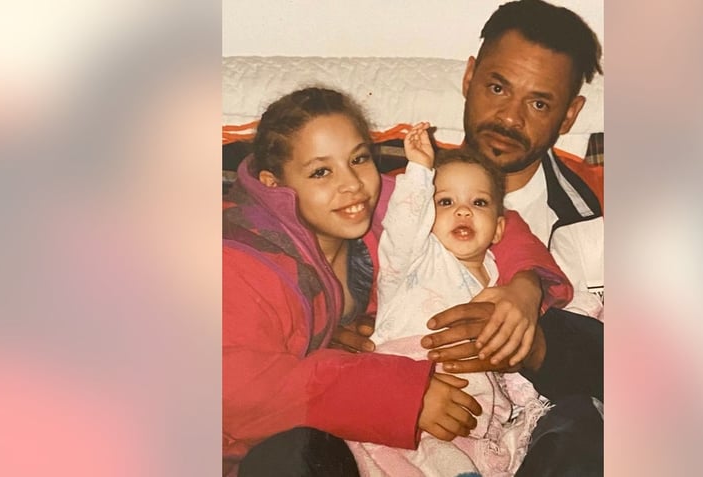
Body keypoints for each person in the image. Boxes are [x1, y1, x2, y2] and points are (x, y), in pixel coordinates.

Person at [222, 87, 573, 477]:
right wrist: (403, 395)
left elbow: (487, 216)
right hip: (248, 453)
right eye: (321, 171)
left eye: (358, 159)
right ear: (274, 184)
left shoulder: (376, 205)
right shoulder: (238, 260)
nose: (352, 184)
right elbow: (238, 394)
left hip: (356, 432)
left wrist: (524, 287)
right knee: (294, 451)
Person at [335, 2, 606, 475]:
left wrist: (534, 319)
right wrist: (331, 336)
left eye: (539, 103)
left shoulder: (601, 210)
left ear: (569, 115)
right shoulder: (386, 198)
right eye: (497, 87)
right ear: (469, 78)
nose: (509, 117)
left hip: (538, 437)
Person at [346, 123, 566, 475]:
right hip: (413, 392)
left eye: (478, 202)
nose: (463, 211)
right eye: (446, 202)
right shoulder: (416, 257)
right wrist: (419, 170)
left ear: (497, 228)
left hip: (473, 415)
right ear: (427, 218)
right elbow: (403, 227)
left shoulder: (498, 276)